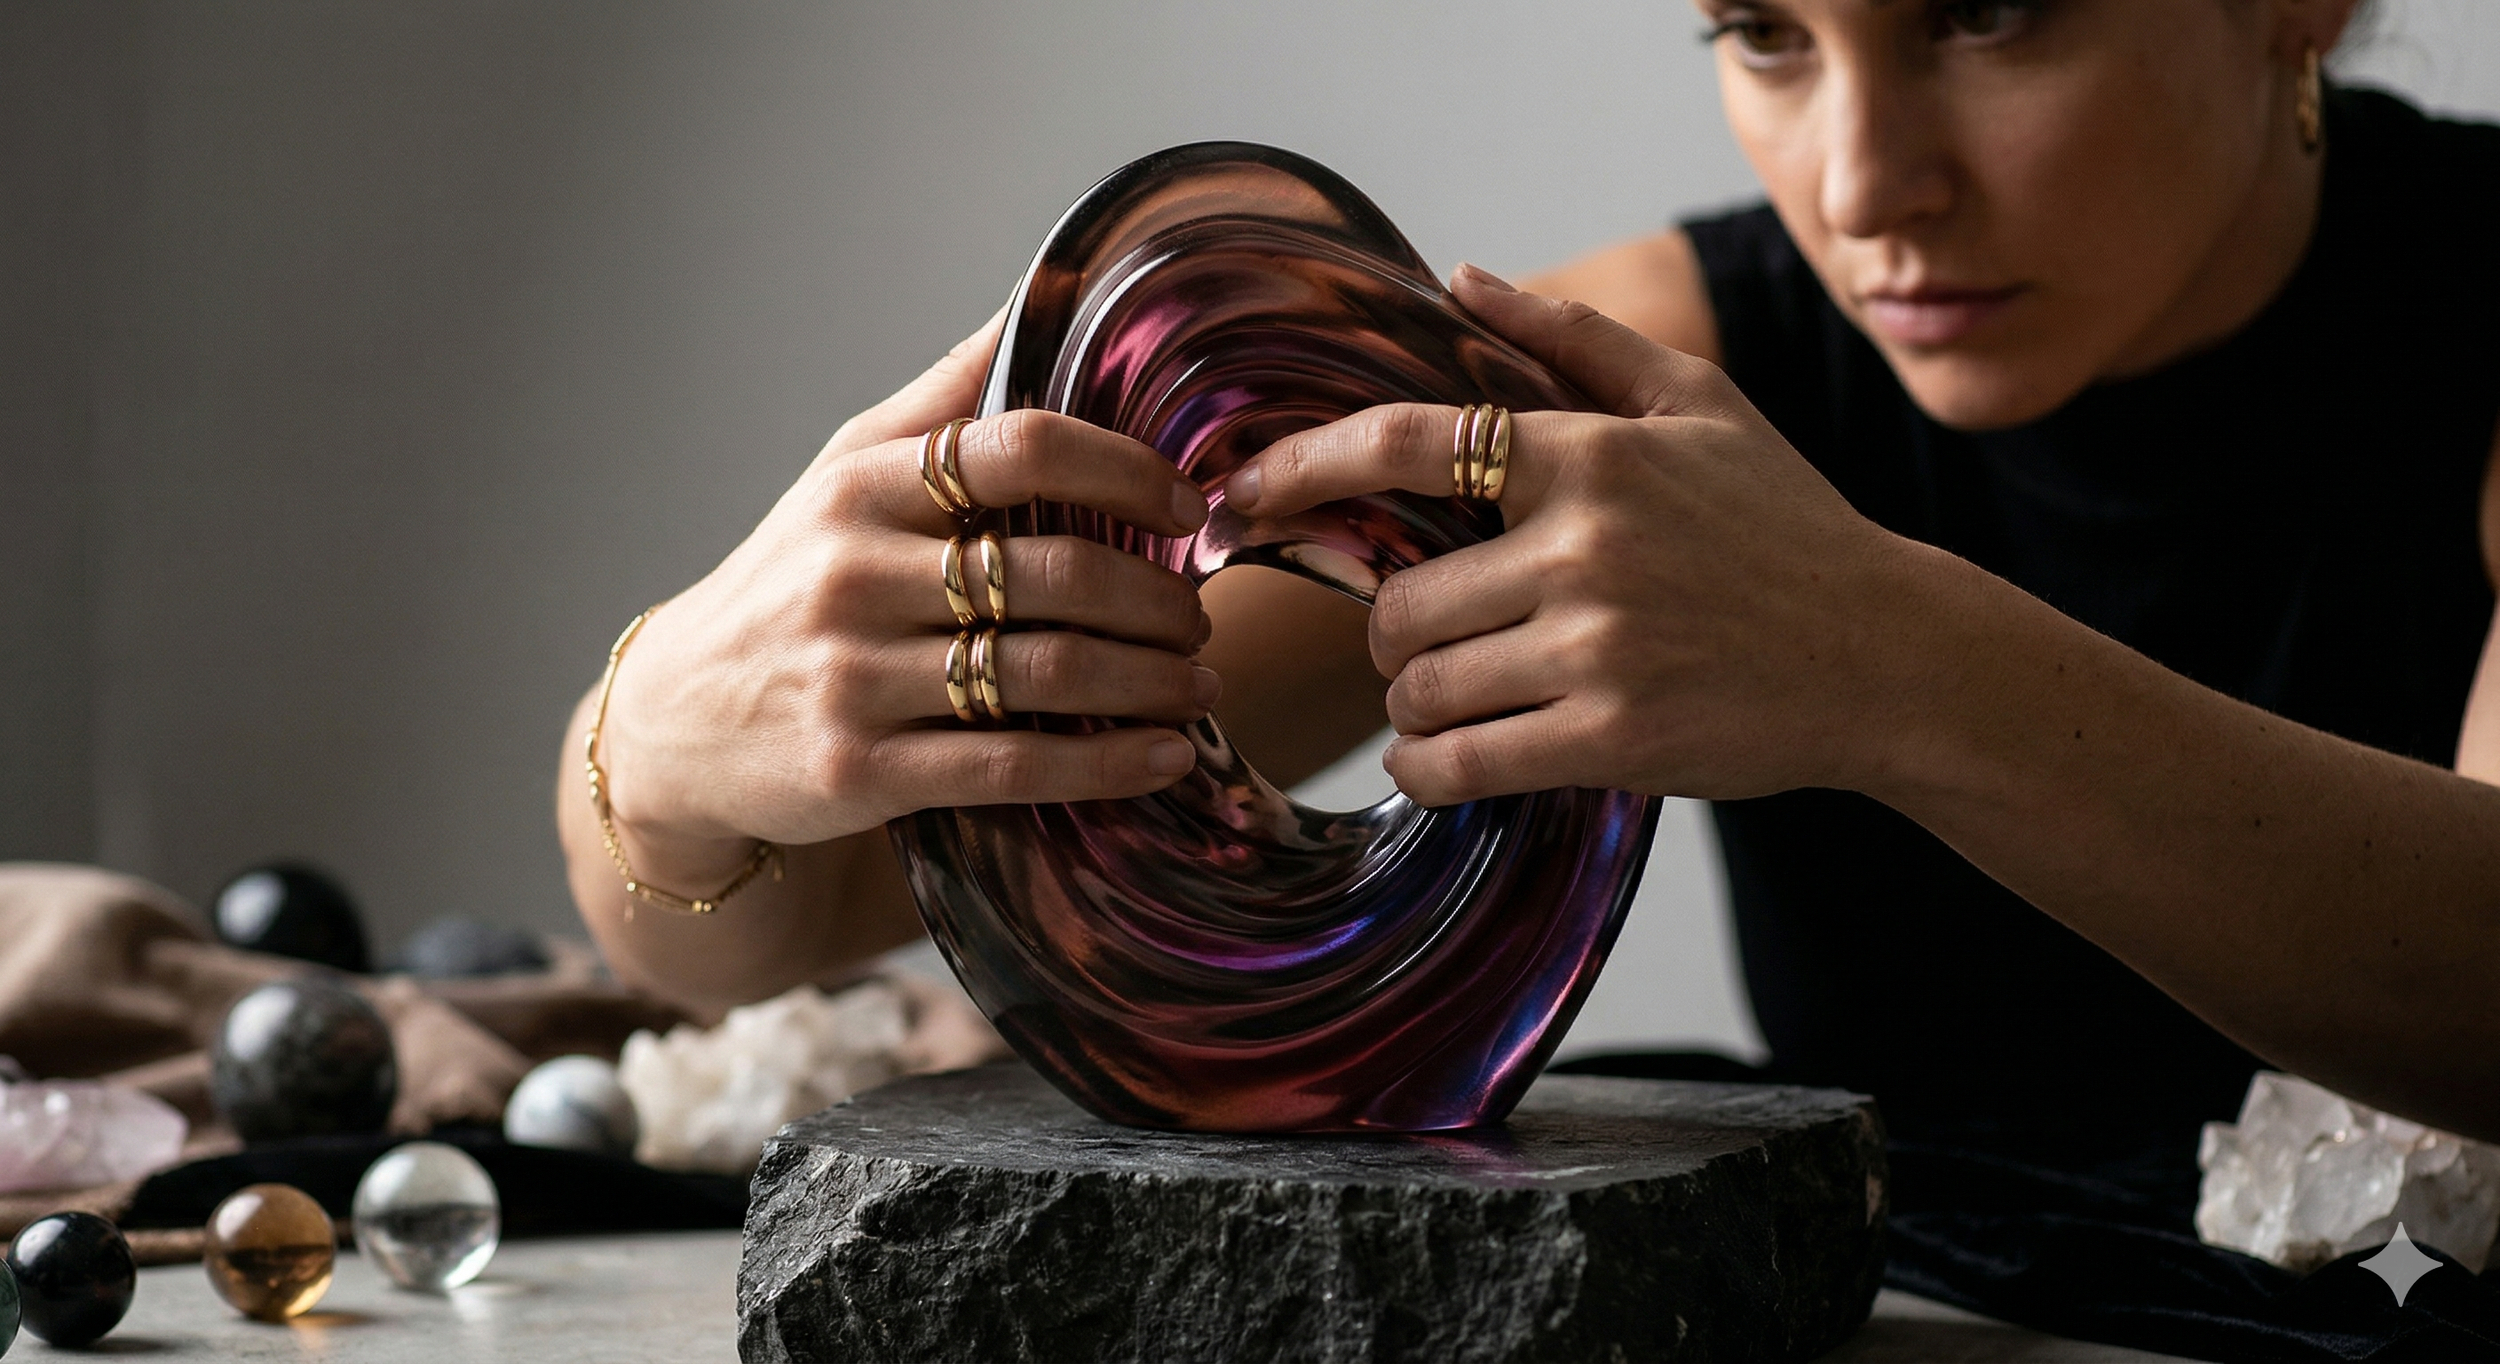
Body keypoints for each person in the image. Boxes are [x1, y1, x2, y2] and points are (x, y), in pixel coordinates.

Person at [560, 0, 2500, 1346]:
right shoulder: (1653, 374)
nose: (1860, 183)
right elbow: (783, 914)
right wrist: (662, 725)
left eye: (1985, 15)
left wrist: (1887, 656)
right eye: (1762, 33)